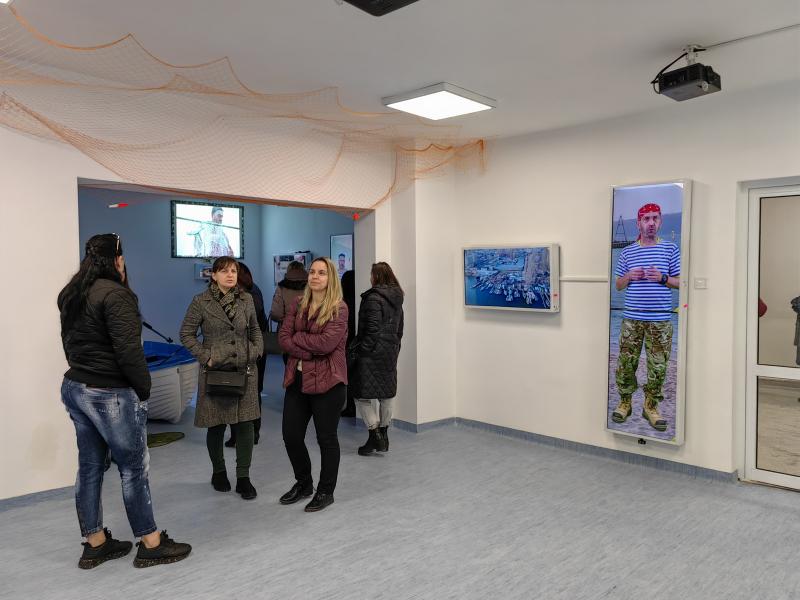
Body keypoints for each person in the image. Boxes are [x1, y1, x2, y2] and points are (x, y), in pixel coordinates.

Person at [58, 233, 191, 569]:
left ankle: (95, 544)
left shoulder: (72, 292)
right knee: (133, 469)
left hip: (75, 387)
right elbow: (130, 352)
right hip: (109, 393)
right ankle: (151, 543)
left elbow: (68, 343)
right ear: (117, 259)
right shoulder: (117, 295)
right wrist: (143, 391)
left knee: (90, 467)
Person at [180, 257, 263, 500]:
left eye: (233, 271)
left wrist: (256, 351)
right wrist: (206, 357)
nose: (230, 275)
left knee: (245, 424)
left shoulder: (246, 299)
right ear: (213, 275)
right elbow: (186, 334)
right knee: (216, 424)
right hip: (215, 371)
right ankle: (218, 472)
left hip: (244, 369)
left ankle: (243, 477)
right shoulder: (201, 301)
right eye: (224, 271)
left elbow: (255, 329)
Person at [277, 257, 348, 512]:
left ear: (331, 278)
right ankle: (304, 483)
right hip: (297, 380)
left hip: (328, 383)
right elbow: (283, 338)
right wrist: (307, 349)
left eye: (322, 273)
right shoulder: (298, 303)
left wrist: (299, 341)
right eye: (313, 272)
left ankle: (325, 491)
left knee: (326, 439)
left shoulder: (339, 308)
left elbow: (327, 344)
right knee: (291, 436)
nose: (315, 276)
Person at [612, 203, 680, 431]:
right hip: (631, 320)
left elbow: (681, 282)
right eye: (646, 219)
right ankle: (625, 403)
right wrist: (629, 276)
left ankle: (650, 406)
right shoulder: (628, 252)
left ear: (660, 221)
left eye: (655, 218)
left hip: (660, 321)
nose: (651, 223)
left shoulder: (670, 249)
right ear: (638, 223)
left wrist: (663, 278)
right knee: (625, 364)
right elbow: (618, 285)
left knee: (658, 367)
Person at [350, 262, 404, 455]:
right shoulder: (397, 298)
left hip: (371, 354)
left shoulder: (373, 298)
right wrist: (394, 348)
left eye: (372, 274)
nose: (370, 278)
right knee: (386, 394)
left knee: (360, 395)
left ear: (377, 276)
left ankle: (375, 435)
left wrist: (361, 350)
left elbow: (371, 331)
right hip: (390, 351)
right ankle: (384, 435)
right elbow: (400, 329)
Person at [225, 261, 267, 447]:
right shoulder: (252, 291)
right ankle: (241, 434)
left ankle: (251, 433)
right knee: (238, 391)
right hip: (244, 350)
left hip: (250, 350)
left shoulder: (250, 294)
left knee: (250, 391)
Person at [270, 260, 308, 364]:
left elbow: (276, 313)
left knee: (289, 365)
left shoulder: (282, 287)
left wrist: (287, 319)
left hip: (287, 334)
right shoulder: (311, 286)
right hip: (307, 333)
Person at [340, 269, 357, 417]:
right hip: (356, 344)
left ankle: (349, 406)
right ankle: (352, 406)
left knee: (348, 377)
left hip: (346, 345)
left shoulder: (343, 304)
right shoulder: (358, 301)